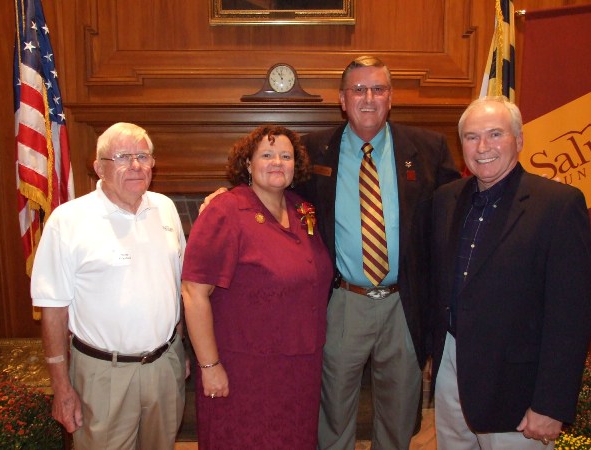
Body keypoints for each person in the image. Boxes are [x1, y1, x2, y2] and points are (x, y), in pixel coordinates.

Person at [296, 55, 461, 450]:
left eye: (378, 89)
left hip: (402, 304)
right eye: (358, 89)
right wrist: (234, 197)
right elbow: (276, 195)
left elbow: (457, 209)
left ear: (390, 97)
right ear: (342, 99)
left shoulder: (428, 148)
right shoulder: (313, 150)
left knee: (400, 413)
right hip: (342, 302)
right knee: (332, 411)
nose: (368, 97)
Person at [430, 96, 591, 450]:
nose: (483, 147)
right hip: (451, 373)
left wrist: (551, 403)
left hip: (516, 389)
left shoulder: (559, 206)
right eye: (472, 137)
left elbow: (571, 315)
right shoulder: (445, 199)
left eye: (495, 134)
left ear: (519, 141)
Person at [31, 122, 188, 450]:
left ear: (153, 164)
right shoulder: (68, 220)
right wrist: (61, 388)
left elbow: (178, 286)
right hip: (104, 375)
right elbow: (53, 309)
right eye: (123, 157)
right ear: (98, 167)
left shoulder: (166, 209)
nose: (135, 165)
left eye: (143, 156)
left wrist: (180, 348)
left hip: (163, 366)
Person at [182, 125, 333, 449]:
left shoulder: (300, 209)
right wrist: (209, 366)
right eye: (266, 154)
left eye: (285, 156)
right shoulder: (226, 211)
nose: (277, 162)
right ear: (248, 165)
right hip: (243, 372)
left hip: (298, 371)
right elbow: (194, 292)